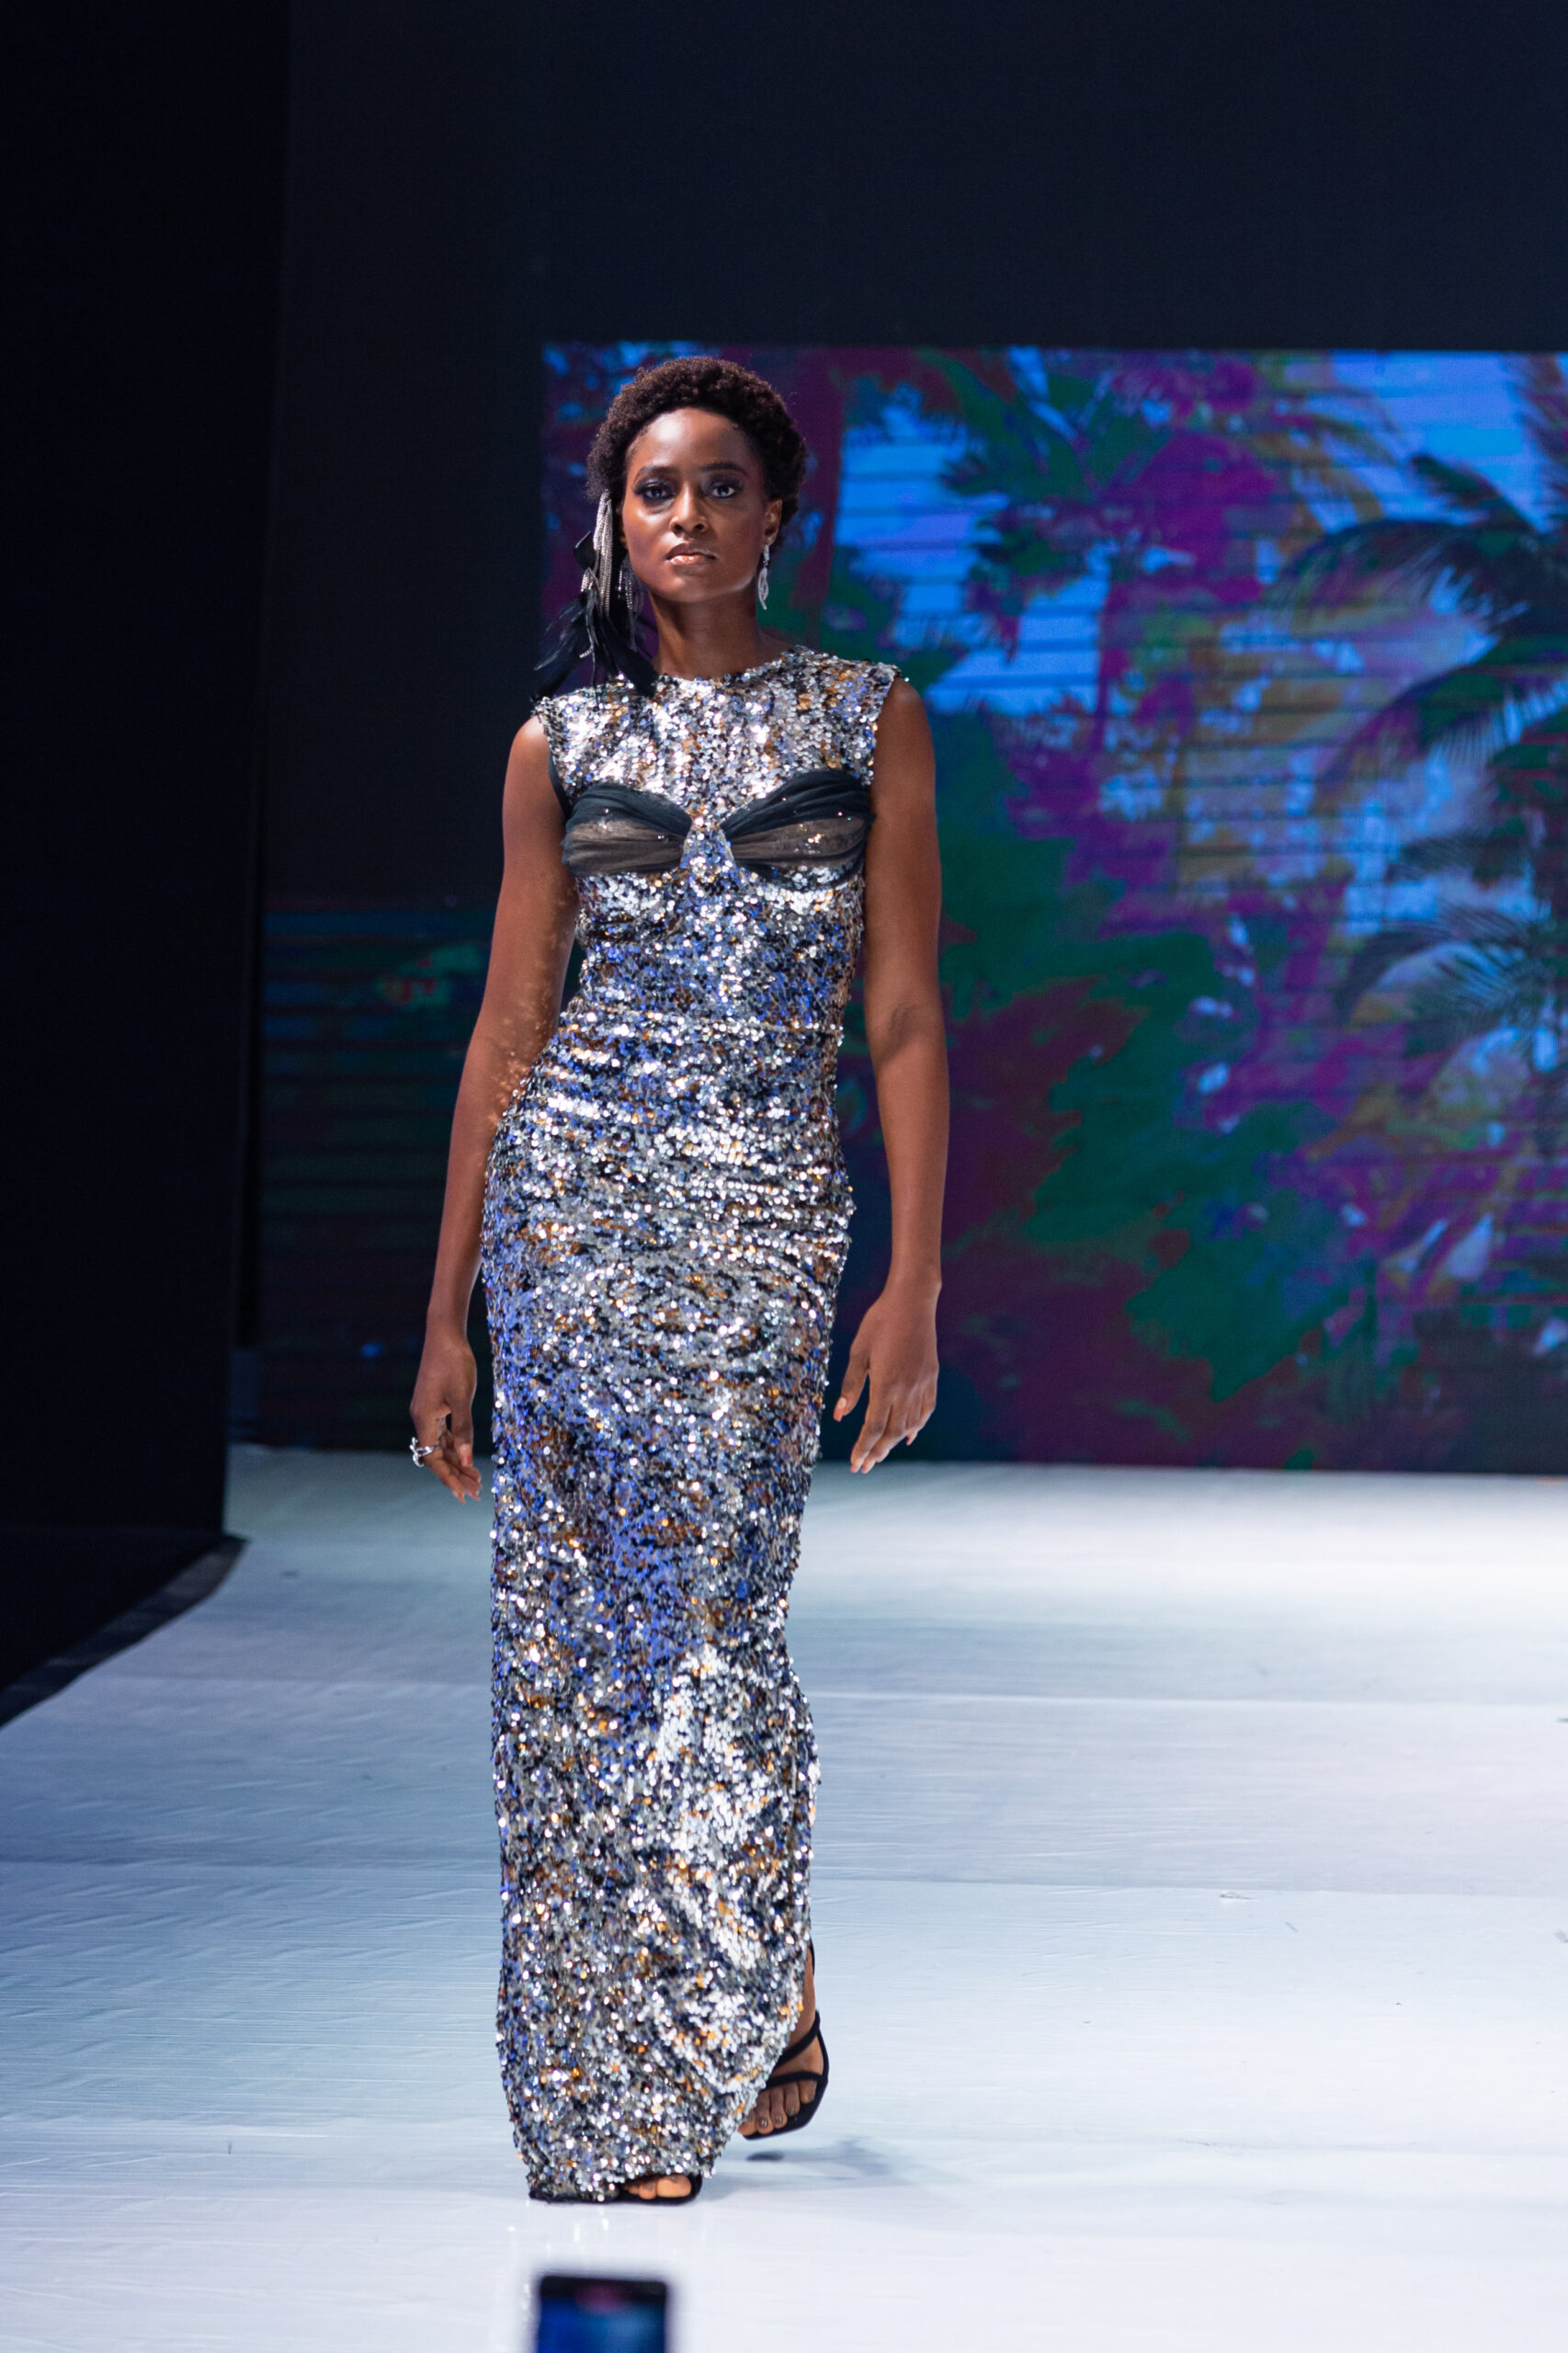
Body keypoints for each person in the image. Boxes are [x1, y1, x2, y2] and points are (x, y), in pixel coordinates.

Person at [410, 356, 948, 2203]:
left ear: (777, 513)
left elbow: (900, 1009)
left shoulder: (866, 715)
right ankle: (618, 2091)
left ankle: (742, 1969)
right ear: (613, 519)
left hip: (763, 1213)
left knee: (712, 1620)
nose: (687, 516)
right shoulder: (558, 743)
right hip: (565, 1211)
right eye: (655, 489)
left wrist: (913, 1280)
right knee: (571, 1646)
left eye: (721, 484)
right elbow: (508, 1026)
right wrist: (445, 1313)